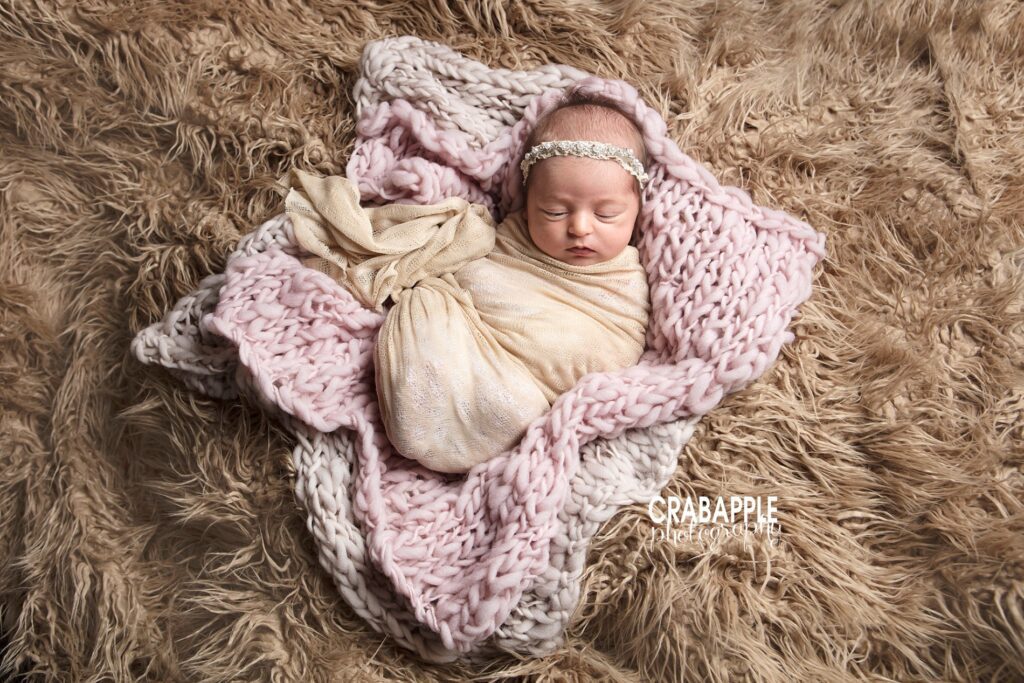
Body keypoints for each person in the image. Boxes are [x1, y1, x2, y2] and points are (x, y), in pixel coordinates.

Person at [283, 94, 651, 473]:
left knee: (520, 401)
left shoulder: (623, 281)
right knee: (429, 315)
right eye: (554, 211)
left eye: (607, 214)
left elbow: (615, 347)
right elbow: (476, 276)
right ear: (527, 204)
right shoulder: (506, 240)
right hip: (471, 349)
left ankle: (490, 418)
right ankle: (431, 413)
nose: (580, 227)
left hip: (530, 397)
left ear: (638, 208)